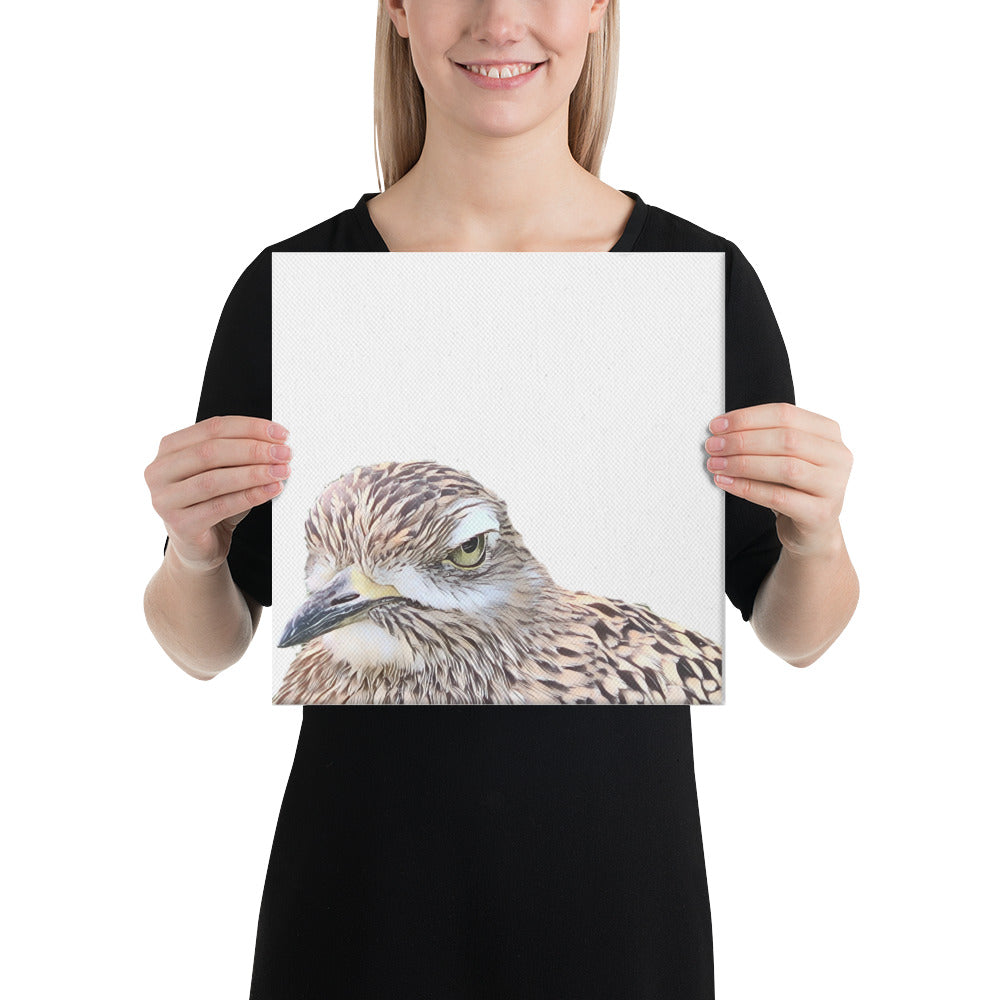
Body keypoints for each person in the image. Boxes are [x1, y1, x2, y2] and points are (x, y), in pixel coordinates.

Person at [143, 1, 859, 996]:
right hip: (357, 919)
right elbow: (208, 642)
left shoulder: (698, 282)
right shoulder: (293, 287)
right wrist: (193, 551)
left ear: (601, 9)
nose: (500, 18)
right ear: (397, 9)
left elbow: (796, 632)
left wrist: (815, 537)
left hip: (619, 919)